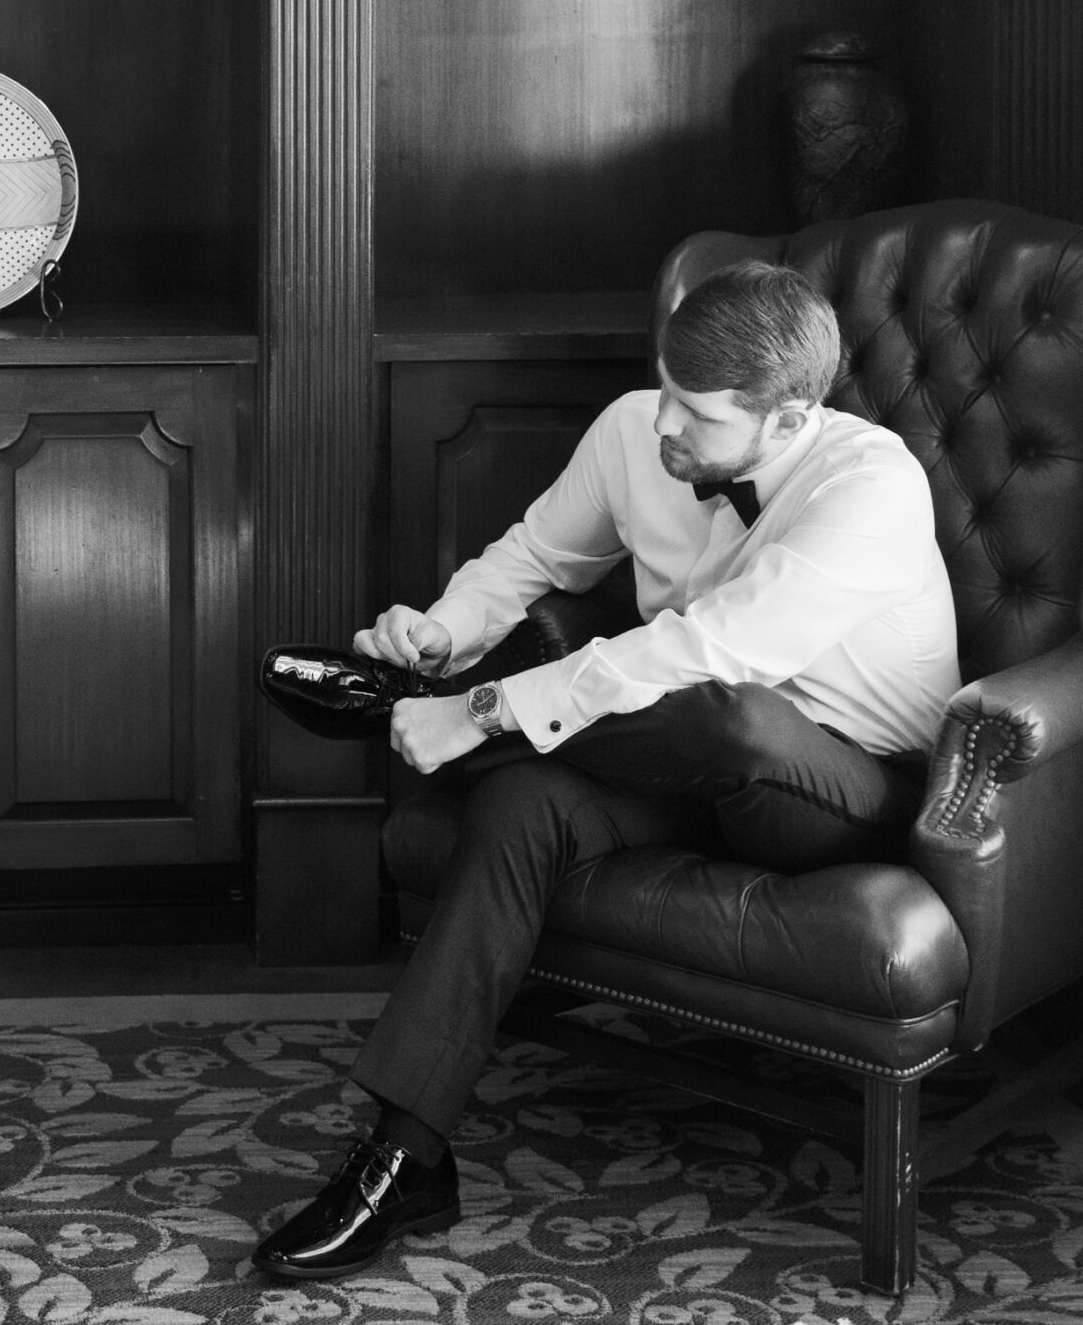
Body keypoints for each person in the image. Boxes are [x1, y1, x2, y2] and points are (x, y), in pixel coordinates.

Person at [252, 260, 961, 1285]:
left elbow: (707, 653)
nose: (665, 424)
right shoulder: (636, 429)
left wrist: (479, 710)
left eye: (699, 414)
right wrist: (441, 634)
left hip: (841, 789)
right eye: (666, 389)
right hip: (675, 765)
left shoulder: (872, 487)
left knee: (728, 709)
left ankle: (406, 719)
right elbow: (532, 558)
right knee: (519, 803)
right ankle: (404, 1159)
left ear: (787, 418)